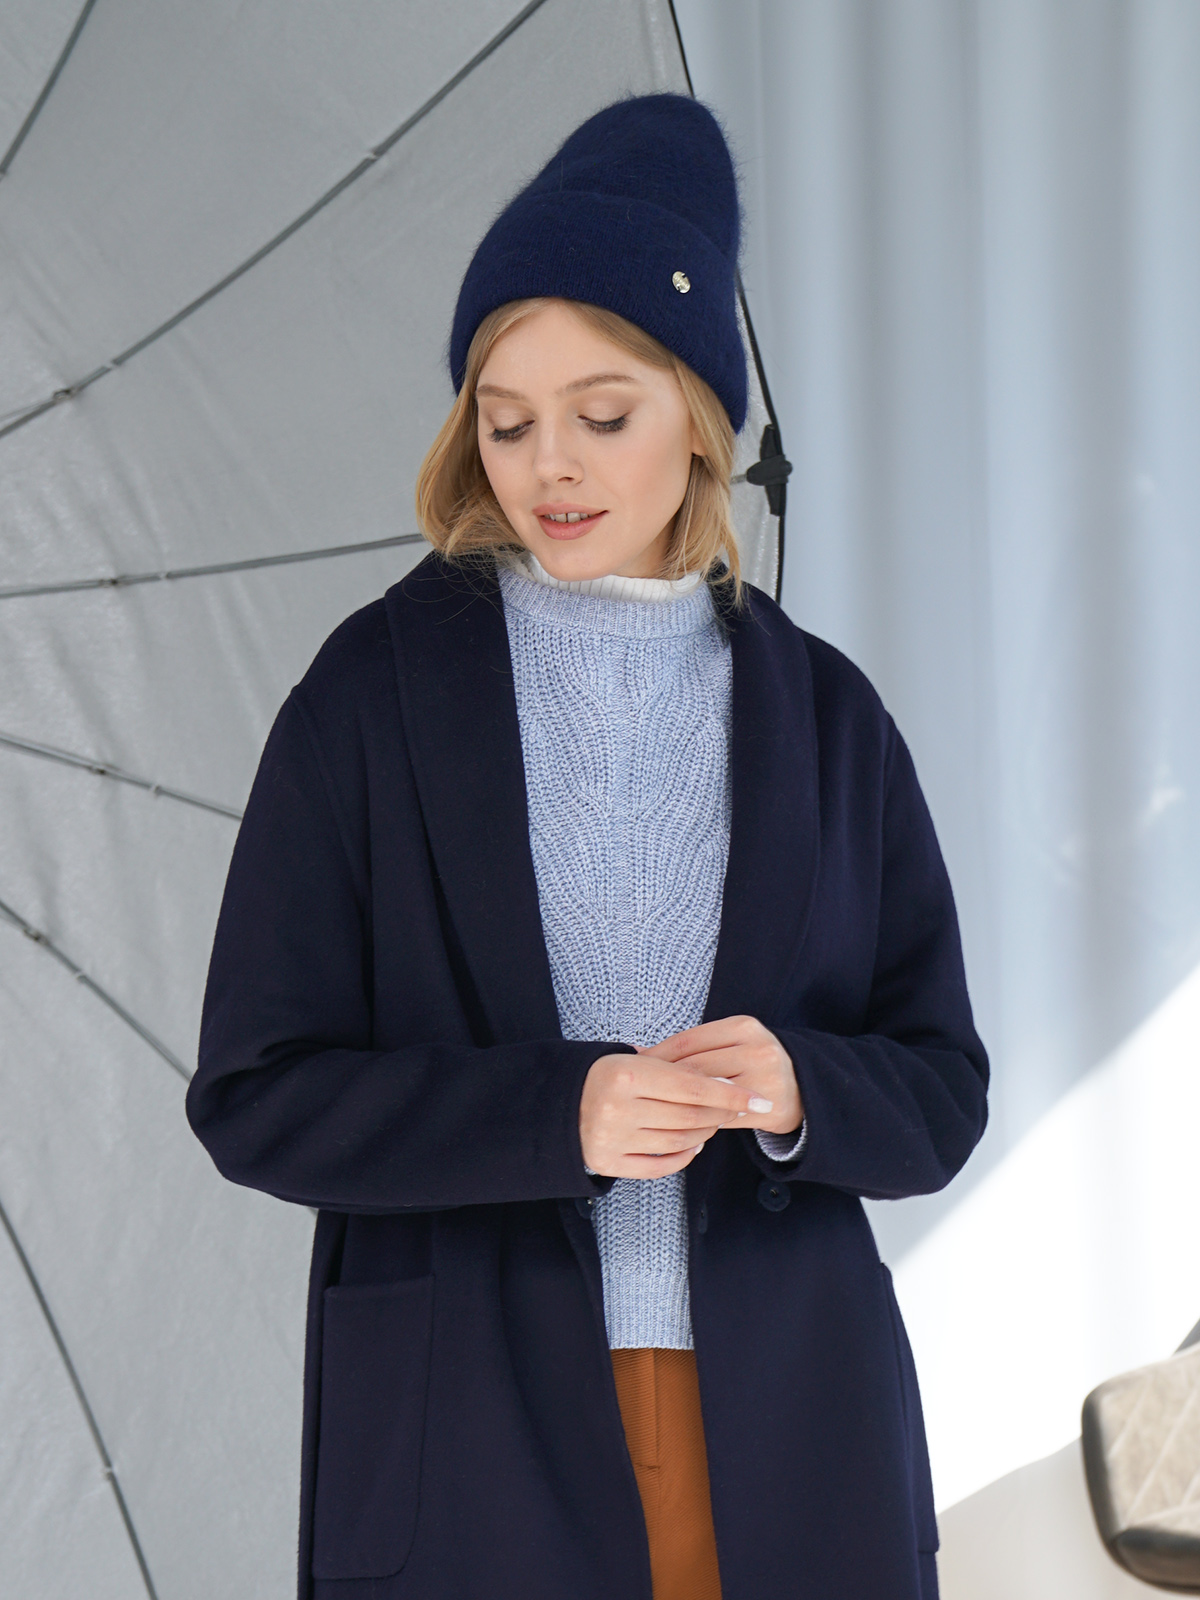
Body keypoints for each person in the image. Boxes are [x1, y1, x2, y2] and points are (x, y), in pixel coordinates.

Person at [185, 93, 989, 1600]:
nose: (547, 465)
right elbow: (256, 1096)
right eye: (505, 421)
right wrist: (556, 1114)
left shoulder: (828, 717)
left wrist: (801, 1091)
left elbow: (942, 1088)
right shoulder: (370, 696)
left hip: (790, 1443)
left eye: (602, 416)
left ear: (699, 416)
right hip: (472, 1450)